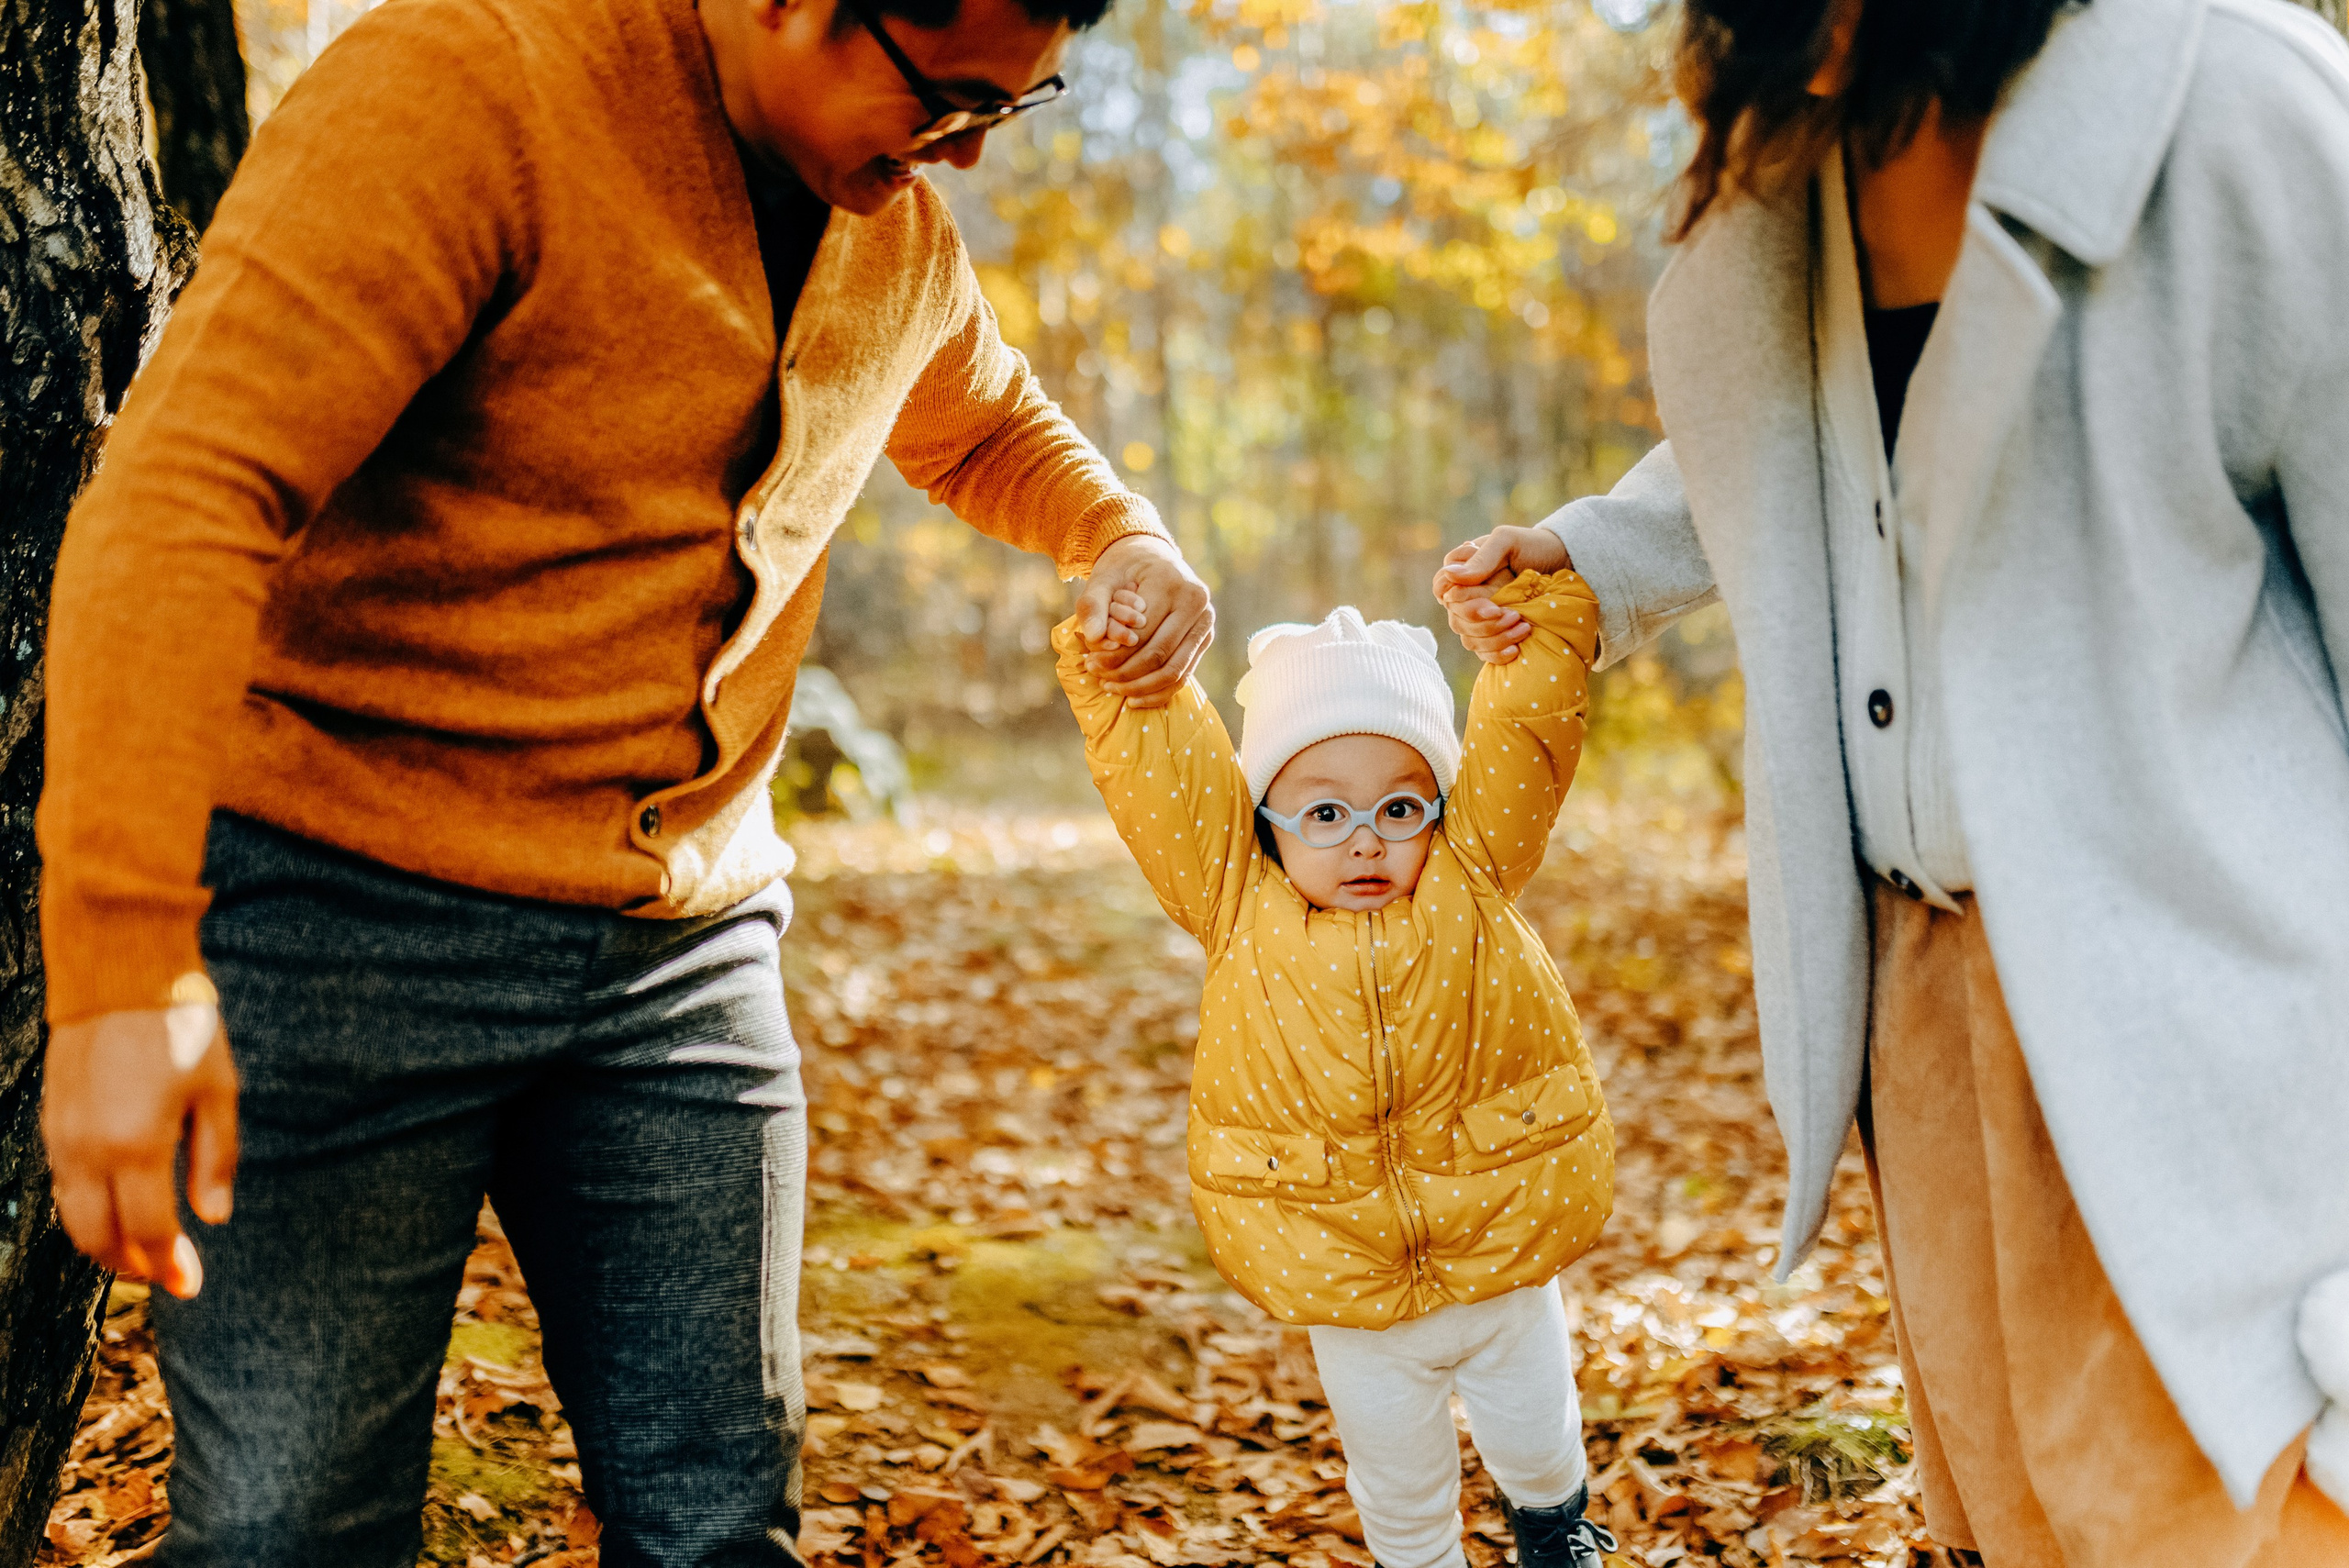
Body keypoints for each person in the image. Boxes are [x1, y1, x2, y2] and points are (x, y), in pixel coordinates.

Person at [33, 0, 1216, 1560]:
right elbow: (185, 499)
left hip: (683, 955)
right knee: (289, 1531)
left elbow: (981, 415)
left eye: (1012, 103)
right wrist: (120, 980)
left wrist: (1118, 532)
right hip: (335, 917)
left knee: (718, 1521)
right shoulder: (469, 91)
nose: (970, 151)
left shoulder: (893, 228)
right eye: (945, 98)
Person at [1435, 0, 2349, 1563]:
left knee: (2223, 1509)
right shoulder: (1796, 159)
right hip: (1918, 983)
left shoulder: (2242, 110)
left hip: (2205, 995)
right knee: (2008, 1503)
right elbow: (1814, 438)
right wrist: (1600, 553)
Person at [1055, 575, 1619, 1568]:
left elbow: (1525, 738)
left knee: (1539, 1433)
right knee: (1397, 1478)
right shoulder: (1236, 898)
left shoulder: (1471, 872)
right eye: (1323, 811)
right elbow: (1165, 772)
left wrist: (1529, 630)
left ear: (1441, 809)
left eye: (1400, 806)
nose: (1364, 837)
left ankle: (1556, 1528)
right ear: (1266, 819)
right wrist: (1126, 671)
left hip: (1500, 1242)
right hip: (1343, 1269)